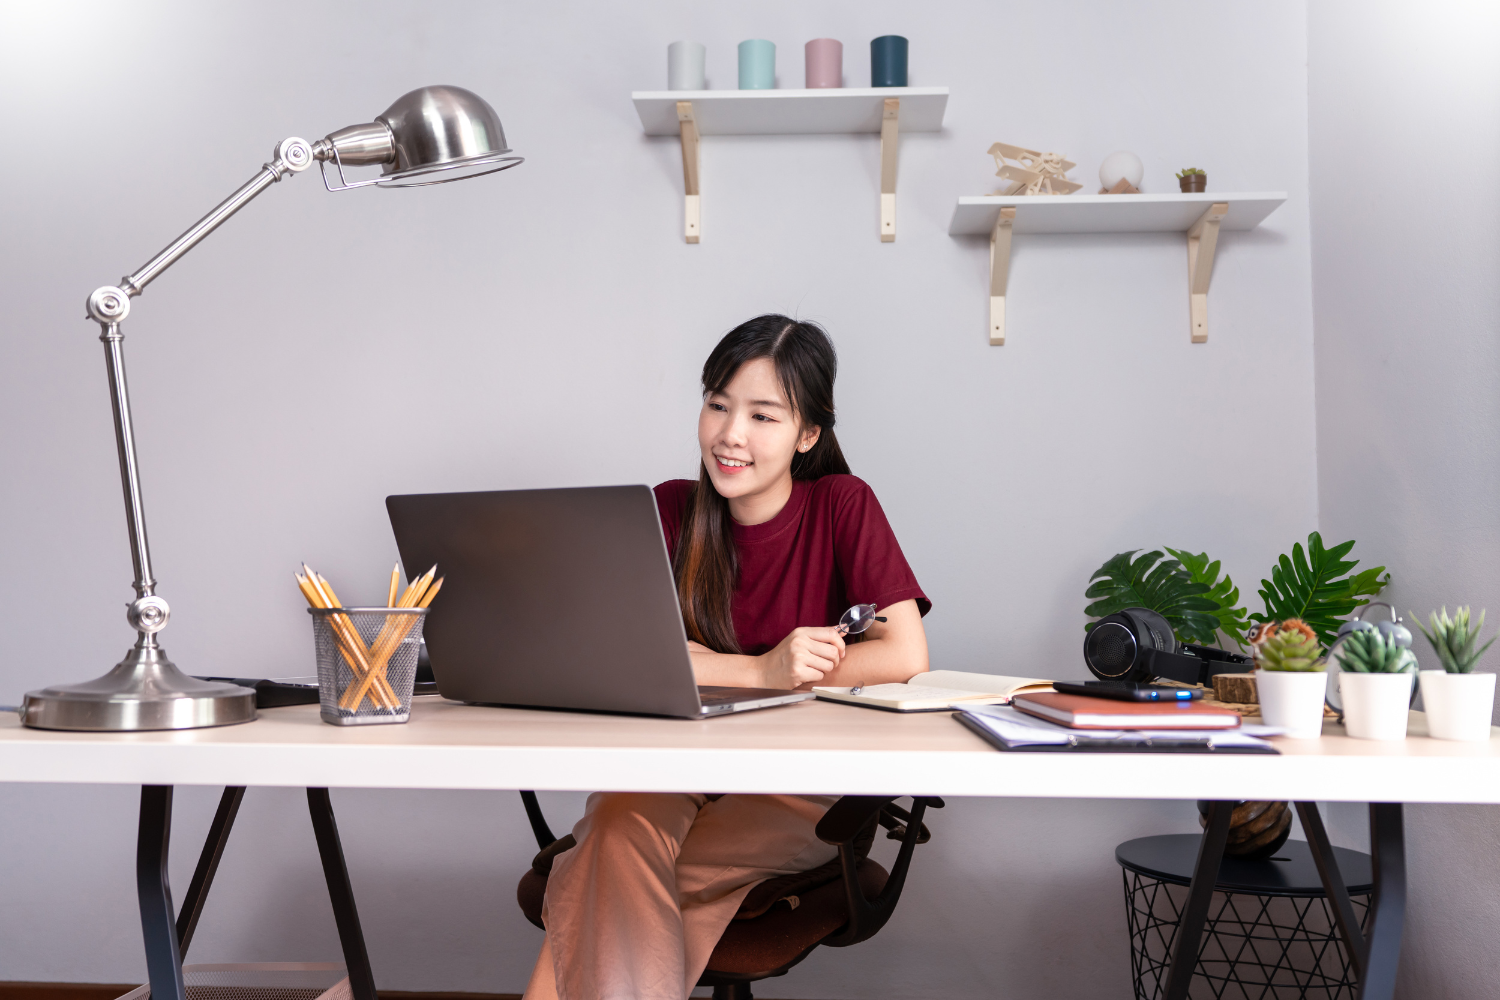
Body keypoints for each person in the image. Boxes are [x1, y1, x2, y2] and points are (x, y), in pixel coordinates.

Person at [524, 315, 931, 1000]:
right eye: (717, 404)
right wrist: (764, 669)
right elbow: (626, 653)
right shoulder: (669, 509)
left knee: (602, 879)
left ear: (808, 434)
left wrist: (702, 660)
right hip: (673, 768)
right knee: (616, 836)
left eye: (763, 416)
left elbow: (904, 652)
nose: (730, 433)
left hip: (797, 786)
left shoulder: (843, 504)